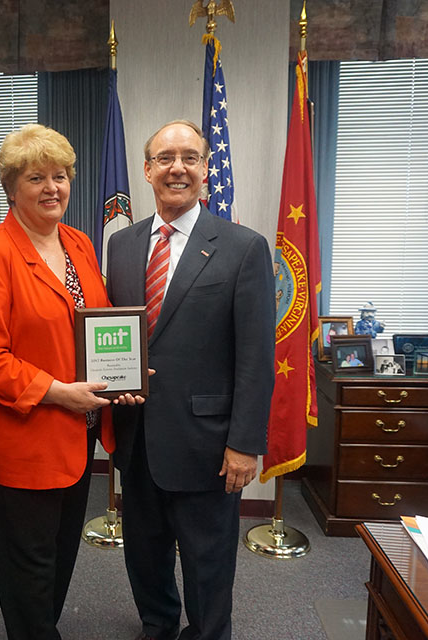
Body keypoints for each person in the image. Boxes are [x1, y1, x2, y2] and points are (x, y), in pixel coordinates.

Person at [106, 120, 276, 640]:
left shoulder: (243, 247)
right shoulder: (123, 246)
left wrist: (245, 445)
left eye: (189, 157)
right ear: (147, 169)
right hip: (136, 437)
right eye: (164, 157)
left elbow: (255, 356)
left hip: (207, 444)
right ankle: (157, 626)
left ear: (206, 168)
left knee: (207, 563)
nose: (176, 167)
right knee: (145, 554)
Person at [0, 124, 122, 639]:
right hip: (22, 441)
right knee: (27, 573)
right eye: (36, 177)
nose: (53, 187)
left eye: (60, 175)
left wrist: (127, 371)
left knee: (60, 562)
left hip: (79, 433)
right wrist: (57, 392)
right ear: (12, 187)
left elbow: (102, 323)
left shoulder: (79, 244)